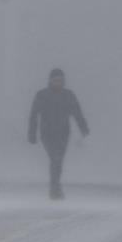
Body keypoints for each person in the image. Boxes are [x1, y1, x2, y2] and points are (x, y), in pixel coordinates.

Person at [28, 69, 89, 200]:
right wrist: (32, 133)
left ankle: (55, 186)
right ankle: (54, 188)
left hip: (63, 133)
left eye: (60, 80)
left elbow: (77, 112)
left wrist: (83, 128)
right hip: (47, 133)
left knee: (58, 160)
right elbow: (34, 114)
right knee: (55, 159)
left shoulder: (68, 95)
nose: (58, 83)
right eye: (56, 80)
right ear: (50, 80)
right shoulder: (42, 95)